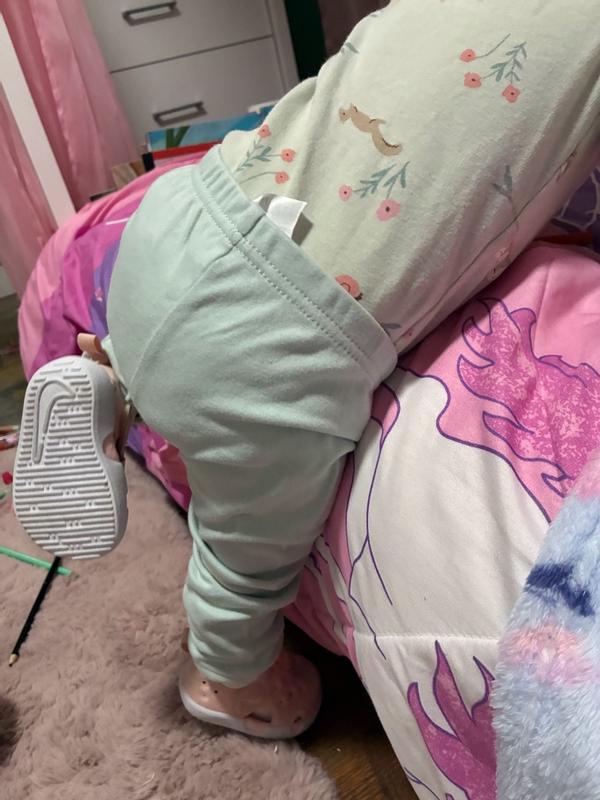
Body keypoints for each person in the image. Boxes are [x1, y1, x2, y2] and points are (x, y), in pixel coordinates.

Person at [13, 0, 600, 738]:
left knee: (188, 345)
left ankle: (114, 369)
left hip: (187, 211)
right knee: (246, 557)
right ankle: (229, 677)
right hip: (279, 332)